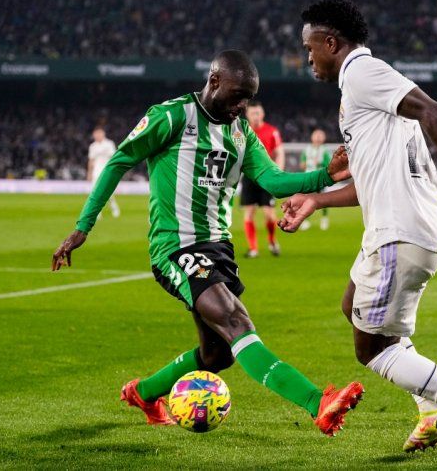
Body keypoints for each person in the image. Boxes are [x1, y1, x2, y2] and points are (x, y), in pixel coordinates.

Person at [51, 50, 363, 436]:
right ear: (214, 81)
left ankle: (144, 393)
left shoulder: (240, 132)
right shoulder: (172, 116)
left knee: (216, 355)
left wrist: (324, 175)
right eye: (236, 96)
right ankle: (318, 402)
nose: (242, 106)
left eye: (247, 98)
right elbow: (118, 161)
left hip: (218, 249)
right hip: (176, 247)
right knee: (236, 320)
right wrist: (83, 227)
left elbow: (274, 181)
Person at [279, 0, 437, 461]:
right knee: (353, 306)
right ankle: (431, 411)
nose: (307, 58)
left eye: (310, 48)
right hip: (402, 229)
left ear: (332, 42)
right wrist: (316, 200)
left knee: (369, 349)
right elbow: (369, 182)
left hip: (402, 231)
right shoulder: (365, 91)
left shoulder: (363, 74)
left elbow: (436, 111)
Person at [239, 100, 283, 257]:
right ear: (247, 114)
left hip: (267, 176)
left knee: (269, 214)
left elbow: (279, 152)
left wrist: (278, 172)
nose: (256, 116)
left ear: (262, 113)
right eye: (252, 113)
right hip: (249, 177)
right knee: (249, 213)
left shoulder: (272, 131)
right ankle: (253, 248)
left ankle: (272, 242)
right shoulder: (242, 131)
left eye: (258, 113)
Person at [299, 129, 332, 231]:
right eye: (316, 135)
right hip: (309, 178)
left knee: (322, 199)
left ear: (323, 138)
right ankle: (306, 221)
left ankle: (324, 219)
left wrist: (319, 164)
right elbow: (302, 164)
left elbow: (329, 165)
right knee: (307, 200)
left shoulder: (325, 150)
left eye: (320, 135)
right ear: (312, 137)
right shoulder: (307, 149)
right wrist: (304, 165)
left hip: (320, 179)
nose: (317, 137)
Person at [87, 127, 120, 219]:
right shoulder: (92, 146)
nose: (97, 136)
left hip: (107, 171)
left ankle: (114, 207)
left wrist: (114, 171)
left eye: (99, 133)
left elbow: (113, 158)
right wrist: (89, 173)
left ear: (103, 134)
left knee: (108, 192)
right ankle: (97, 213)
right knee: (95, 192)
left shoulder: (109, 144)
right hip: (96, 172)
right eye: (95, 134)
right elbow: (91, 160)